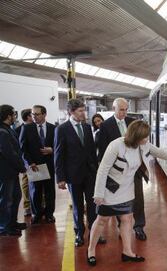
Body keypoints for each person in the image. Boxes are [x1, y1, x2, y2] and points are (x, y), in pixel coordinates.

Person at [87, 120, 167, 266]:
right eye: (144, 136)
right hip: (110, 190)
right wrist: (99, 193)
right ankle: (91, 250)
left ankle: (127, 252)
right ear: (135, 136)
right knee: (102, 221)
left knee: (127, 220)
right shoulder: (116, 145)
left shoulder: (144, 145)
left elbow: (161, 153)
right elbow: (103, 169)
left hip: (127, 189)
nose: (147, 139)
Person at [54, 99, 106, 247]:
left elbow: (91, 151)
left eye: (84, 110)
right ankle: (79, 233)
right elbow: (58, 155)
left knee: (92, 204)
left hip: (90, 174)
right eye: (80, 111)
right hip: (73, 175)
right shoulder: (62, 129)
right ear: (71, 112)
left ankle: (94, 232)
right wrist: (60, 178)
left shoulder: (87, 127)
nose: (84, 113)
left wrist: (97, 171)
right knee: (77, 205)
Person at [97, 98, 148, 241]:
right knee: (120, 201)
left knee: (138, 199)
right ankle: (122, 227)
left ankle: (139, 227)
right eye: (121, 110)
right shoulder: (105, 126)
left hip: (135, 169)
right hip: (118, 172)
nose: (124, 113)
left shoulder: (132, 122)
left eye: (126, 109)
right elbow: (102, 151)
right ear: (114, 108)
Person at [20, 105, 56, 224]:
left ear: (44, 114)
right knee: (35, 192)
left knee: (49, 190)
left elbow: (60, 146)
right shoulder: (27, 128)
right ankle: (37, 214)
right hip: (34, 166)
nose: (34, 116)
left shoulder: (53, 128)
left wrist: (52, 150)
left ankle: (49, 214)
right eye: (33, 114)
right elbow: (23, 148)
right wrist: (29, 163)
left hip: (49, 164)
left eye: (37, 114)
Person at [0, 105, 27, 236]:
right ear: (8, 116)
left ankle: (12, 222)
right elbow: (10, 153)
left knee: (16, 197)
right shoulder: (2, 131)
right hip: (5, 173)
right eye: (13, 114)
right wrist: (21, 166)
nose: (15, 117)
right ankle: (4, 226)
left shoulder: (7, 129)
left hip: (12, 172)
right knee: (6, 200)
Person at [15, 108, 33, 217]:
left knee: (39, 182)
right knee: (26, 184)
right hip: (26, 161)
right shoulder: (18, 130)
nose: (34, 117)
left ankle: (40, 204)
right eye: (32, 115)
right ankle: (27, 206)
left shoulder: (35, 128)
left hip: (37, 160)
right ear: (28, 117)